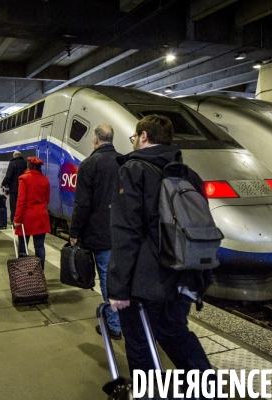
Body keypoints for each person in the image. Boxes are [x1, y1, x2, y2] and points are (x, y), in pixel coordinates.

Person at [107, 115, 214, 390]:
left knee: (141, 343)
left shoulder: (132, 170)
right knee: (175, 332)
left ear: (143, 136)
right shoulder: (189, 173)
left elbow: (126, 232)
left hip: (146, 282)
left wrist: (118, 287)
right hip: (185, 273)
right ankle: (207, 391)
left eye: (135, 137)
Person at [69, 124, 122, 340]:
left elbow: (82, 204)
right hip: (124, 232)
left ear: (95, 140)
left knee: (108, 280)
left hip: (102, 235)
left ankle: (114, 325)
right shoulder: (124, 161)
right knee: (121, 278)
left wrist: (74, 232)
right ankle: (123, 321)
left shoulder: (89, 164)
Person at [13, 156, 50, 269]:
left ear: (29, 165)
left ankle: (24, 272)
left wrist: (17, 218)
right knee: (39, 246)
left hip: (26, 217)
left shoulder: (24, 178)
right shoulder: (45, 179)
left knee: (23, 244)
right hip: (41, 216)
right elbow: (47, 199)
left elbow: (21, 200)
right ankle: (40, 272)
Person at [1, 151, 27, 221]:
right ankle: (22, 221)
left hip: (14, 189)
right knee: (23, 205)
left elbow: (8, 176)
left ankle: (14, 221)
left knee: (13, 206)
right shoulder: (26, 163)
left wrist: (3, 183)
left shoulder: (12, 163)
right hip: (24, 188)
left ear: (14, 156)